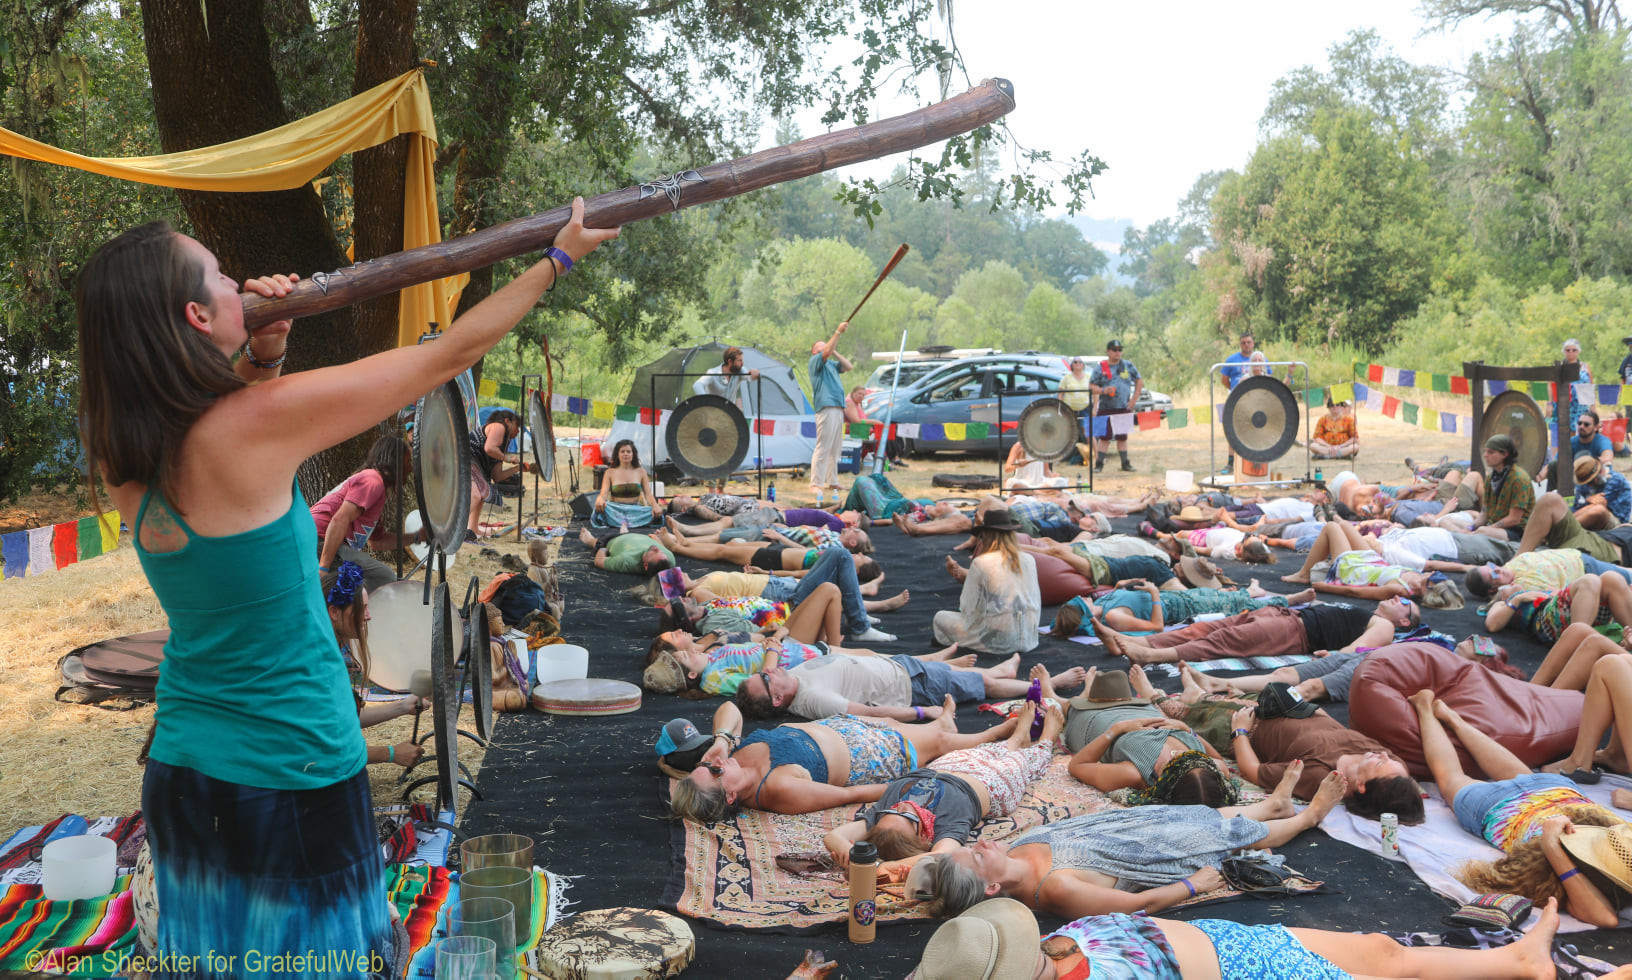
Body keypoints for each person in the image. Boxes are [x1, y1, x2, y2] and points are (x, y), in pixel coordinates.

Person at [78, 202, 615, 969]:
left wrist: (261, 355)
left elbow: (205, 428)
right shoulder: (255, 423)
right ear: (198, 315)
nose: (244, 285)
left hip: (184, 766)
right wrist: (556, 259)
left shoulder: (122, 442)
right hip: (288, 764)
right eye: (225, 280)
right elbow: (444, 357)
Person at [903, 773, 1345, 919]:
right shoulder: (1055, 890)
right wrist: (1194, 885)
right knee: (1216, 835)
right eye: (977, 854)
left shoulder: (1007, 860)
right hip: (1155, 857)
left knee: (1187, 816)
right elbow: (1138, 905)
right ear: (993, 889)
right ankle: (1307, 817)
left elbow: (930, 869)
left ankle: (1272, 804)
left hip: (1130, 828)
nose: (982, 843)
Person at [909, 895, 1568, 980]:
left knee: (1382, 949)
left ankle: (1520, 956)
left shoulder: (1038, 958)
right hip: (1252, 974)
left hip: (1219, 937)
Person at [1408, 690, 1628, 927]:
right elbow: (1605, 918)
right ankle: (1424, 708)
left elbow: (1606, 918)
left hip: (1556, 790)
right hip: (1500, 810)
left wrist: (1552, 845)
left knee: (1522, 774)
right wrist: (1552, 848)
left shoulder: (1621, 838)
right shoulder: (1590, 881)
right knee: (1449, 776)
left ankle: (1453, 719)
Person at [1148, 668, 1426, 823]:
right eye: (1388, 759)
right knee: (1253, 694)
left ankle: (1165, 697)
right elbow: (1332, 726)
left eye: (1379, 763)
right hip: (1281, 709)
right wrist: (1302, 705)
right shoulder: (1379, 756)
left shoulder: (1322, 776)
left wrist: (1240, 732)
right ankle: (1200, 694)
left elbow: (1253, 772)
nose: (1381, 754)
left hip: (1250, 727)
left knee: (1183, 713)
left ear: (1362, 785)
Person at [667, 700, 1008, 823]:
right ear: (729, 797)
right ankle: (994, 735)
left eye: (708, 764)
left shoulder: (730, 759)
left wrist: (723, 740)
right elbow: (850, 796)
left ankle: (940, 723)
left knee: (894, 723)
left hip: (838, 728)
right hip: (867, 755)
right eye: (713, 772)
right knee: (937, 743)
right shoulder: (779, 790)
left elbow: (730, 708)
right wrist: (910, 785)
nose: (715, 763)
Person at [823, 700, 1063, 866]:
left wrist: (856, 856)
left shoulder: (881, 820)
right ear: (924, 839)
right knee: (1025, 760)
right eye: (910, 818)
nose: (903, 807)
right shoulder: (946, 828)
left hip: (945, 769)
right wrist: (877, 868)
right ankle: (1046, 738)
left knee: (984, 750)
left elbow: (833, 837)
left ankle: (1016, 737)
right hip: (994, 783)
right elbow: (938, 857)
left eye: (892, 810)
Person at [732, 644, 1085, 722]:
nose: (769, 670)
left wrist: (772, 651)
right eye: (765, 678)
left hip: (898, 666)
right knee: (978, 686)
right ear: (776, 700)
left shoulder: (787, 680)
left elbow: (772, 663)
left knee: (965, 677)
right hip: (911, 686)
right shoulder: (813, 700)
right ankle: (1045, 685)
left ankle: (1001, 671)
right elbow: (864, 712)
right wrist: (921, 711)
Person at [1060, 669, 1239, 807]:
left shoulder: (1133, 774)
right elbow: (1218, 759)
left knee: (1069, 708)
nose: (1177, 754)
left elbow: (1077, 766)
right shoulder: (1213, 768)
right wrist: (1188, 730)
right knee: (1101, 696)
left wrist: (1116, 730)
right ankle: (1089, 692)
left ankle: (1080, 697)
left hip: (1101, 721)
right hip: (1140, 710)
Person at [1093, 596, 1433, 666]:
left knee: (1224, 641)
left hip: (1296, 630)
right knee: (1205, 628)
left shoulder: (1386, 624)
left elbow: (1362, 647)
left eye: (1405, 603)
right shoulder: (1368, 607)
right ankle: (1132, 641)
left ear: (1405, 621)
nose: (1396, 597)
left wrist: (1335, 656)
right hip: (1284, 614)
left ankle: (1152, 655)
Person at [322, 561, 428, 770]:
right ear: (334, 612)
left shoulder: (329, 655)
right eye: (363, 608)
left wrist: (402, 707)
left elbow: (345, 718)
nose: (369, 616)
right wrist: (390, 753)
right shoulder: (318, 666)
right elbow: (324, 749)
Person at [309, 434, 419, 591]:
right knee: (385, 577)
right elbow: (340, 519)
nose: (411, 467)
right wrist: (323, 568)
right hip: (319, 541)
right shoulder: (372, 481)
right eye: (408, 461)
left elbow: (377, 542)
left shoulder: (376, 491)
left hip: (327, 544)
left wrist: (417, 537)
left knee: (382, 578)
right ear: (395, 461)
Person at [1278, 519, 1464, 608]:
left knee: (1331, 527)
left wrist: (1327, 588)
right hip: (1372, 561)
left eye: (1433, 578)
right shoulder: (1417, 576)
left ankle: (1303, 574)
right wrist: (1467, 567)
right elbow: (1432, 566)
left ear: (1427, 590)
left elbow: (1357, 592)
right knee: (1344, 525)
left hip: (1352, 570)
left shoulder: (1399, 590)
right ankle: (1306, 570)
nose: (1430, 574)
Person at [933, 509, 1042, 654]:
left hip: (997, 641)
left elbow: (968, 608)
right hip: (1030, 638)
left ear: (984, 535)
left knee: (940, 617)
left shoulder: (981, 562)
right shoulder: (1029, 559)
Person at [1046, 582, 1291, 641]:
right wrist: (1153, 594)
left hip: (1178, 597)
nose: (1087, 598)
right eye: (1084, 602)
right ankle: (1291, 599)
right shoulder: (1112, 617)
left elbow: (1121, 593)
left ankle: (1252, 590)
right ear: (1086, 614)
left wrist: (1124, 584)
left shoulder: (1106, 602)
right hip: (1182, 607)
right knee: (1239, 606)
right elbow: (1156, 627)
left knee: (1222, 593)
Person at [1481, 570, 1632, 645]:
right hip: (1547, 623)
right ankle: (1575, 644)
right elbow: (1492, 625)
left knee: (1612, 578)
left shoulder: (1535, 589)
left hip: (1576, 615)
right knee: (1590, 580)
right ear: (1499, 594)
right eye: (1494, 573)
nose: (1512, 585)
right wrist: (1516, 599)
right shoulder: (1503, 603)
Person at [808, 321, 852, 505]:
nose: (825, 347)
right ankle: (815, 483)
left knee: (835, 448)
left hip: (837, 407)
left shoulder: (832, 365)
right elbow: (825, 352)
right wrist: (837, 333)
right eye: (821, 346)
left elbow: (848, 366)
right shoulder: (815, 362)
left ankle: (832, 481)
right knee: (823, 445)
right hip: (826, 406)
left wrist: (834, 349)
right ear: (814, 351)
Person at [469, 407, 523, 541]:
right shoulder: (499, 426)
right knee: (475, 495)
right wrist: (509, 459)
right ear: (507, 421)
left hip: (478, 464)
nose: (518, 431)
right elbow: (489, 448)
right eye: (517, 425)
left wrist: (517, 468)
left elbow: (497, 476)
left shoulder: (503, 445)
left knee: (484, 492)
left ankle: (473, 528)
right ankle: (453, 528)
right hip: (466, 457)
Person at [1088, 339, 1141, 472]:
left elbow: (1139, 382)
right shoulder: (1101, 367)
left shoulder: (1128, 365)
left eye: (1120, 350)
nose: (1118, 352)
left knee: (1122, 437)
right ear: (1108, 351)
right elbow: (1091, 386)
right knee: (1104, 438)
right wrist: (1102, 391)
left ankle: (1125, 463)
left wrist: (1134, 400)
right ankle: (1099, 464)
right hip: (1106, 407)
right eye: (1115, 350)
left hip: (1123, 407)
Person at [592, 438, 662, 530]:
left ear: (633, 454)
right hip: (615, 511)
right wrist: (600, 500)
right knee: (599, 511)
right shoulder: (610, 472)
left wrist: (655, 505)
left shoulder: (641, 472)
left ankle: (624, 524)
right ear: (618, 454)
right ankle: (630, 524)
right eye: (622, 451)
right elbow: (603, 494)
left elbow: (648, 495)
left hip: (635, 510)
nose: (626, 454)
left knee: (655, 513)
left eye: (628, 451)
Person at [1217, 332, 1255, 474]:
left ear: (1253, 343)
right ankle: (1231, 463)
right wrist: (1235, 390)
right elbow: (1224, 379)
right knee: (1233, 429)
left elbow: (1267, 374)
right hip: (1236, 399)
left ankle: (1252, 460)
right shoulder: (1232, 359)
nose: (1246, 345)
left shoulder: (1258, 358)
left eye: (1249, 342)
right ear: (1240, 344)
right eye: (1243, 342)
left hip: (1255, 400)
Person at [580, 526, 674, 575]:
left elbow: (599, 562)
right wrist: (657, 540)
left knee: (596, 542)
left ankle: (589, 539)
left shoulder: (626, 561)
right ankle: (625, 533)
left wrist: (603, 547)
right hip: (639, 537)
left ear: (645, 565)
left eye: (654, 552)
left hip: (613, 539)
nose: (656, 548)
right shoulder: (669, 559)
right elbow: (662, 547)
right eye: (660, 551)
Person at [1571, 454, 1631, 528]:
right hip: (1587, 518)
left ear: (1600, 471)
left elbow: (1599, 505)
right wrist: (1588, 500)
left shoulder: (1615, 480)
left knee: (1598, 510)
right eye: (1587, 483)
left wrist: (1585, 501)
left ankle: (1567, 528)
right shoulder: (1584, 481)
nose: (1588, 485)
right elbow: (1576, 503)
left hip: (1616, 522)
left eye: (1591, 482)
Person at [692, 345, 758, 407]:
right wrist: (707, 401)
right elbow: (697, 385)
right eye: (739, 360)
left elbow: (750, 377)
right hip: (713, 411)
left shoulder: (740, 370)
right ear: (730, 361)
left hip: (729, 412)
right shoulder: (713, 373)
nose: (742, 363)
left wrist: (755, 373)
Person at [1057, 357, 1093, 465]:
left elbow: (1095, 393)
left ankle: (1093, 455)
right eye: (1075, 362)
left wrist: (1095, 407)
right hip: (1069, 409)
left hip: (1085, 408)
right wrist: (1060, 407)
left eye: (1080, 362)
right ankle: (1059, 457)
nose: (1077, 364)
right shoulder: (1067, 378)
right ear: (1072, 365)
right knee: (1066, 433)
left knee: (1088, 432)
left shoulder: (1089, 377)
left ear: (1083, 365)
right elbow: (1060, 394)